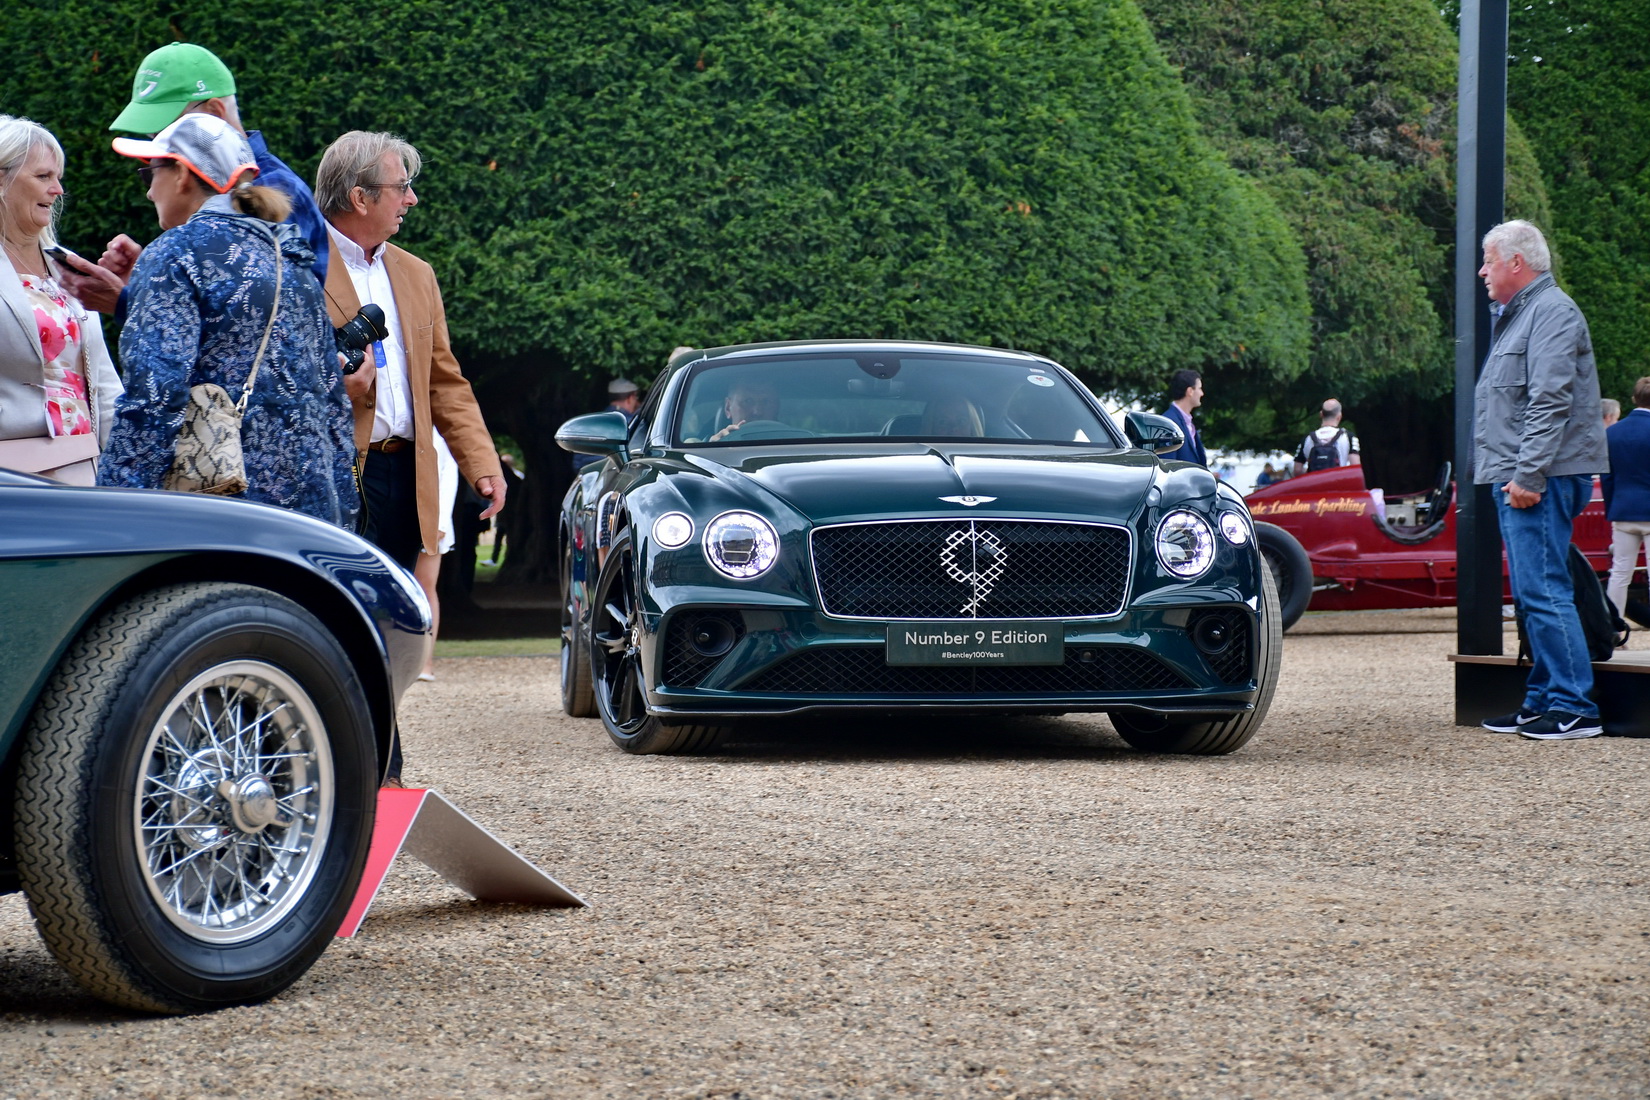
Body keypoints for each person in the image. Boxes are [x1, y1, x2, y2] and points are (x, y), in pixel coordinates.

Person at [316, 131, 504, 784]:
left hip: (406, 472)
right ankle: (353, 762)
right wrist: (334, 383)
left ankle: (378, 760)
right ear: (359, 195)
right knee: (335, 618)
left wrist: (480, 460)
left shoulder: (416, 274)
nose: (412, 201)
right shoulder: (299, 263)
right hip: (334, 474)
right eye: (402, 189)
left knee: (394, 623)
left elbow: (444, 379)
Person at [97, 114, 356, 527]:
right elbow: (332, 401)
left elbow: (154, 396)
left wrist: (112, 509)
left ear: (182, 174)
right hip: (310, 516)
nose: (147, 191)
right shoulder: (291, 259)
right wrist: (342, 513)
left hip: (219, 509)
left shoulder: (175, 252)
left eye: (149, 172)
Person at [55, 43, 329, 319]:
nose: (157, 143)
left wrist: (126, 301)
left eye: (167, 127)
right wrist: (157, 279)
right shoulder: (233, 194)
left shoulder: (275, 188)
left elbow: (256, 323)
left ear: (213, 112)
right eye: (152, 133)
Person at [1473, 219, 1610, 741]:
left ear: (1516, 262)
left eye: (1489, 259)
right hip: (1524, 476)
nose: (1483, 270)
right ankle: (1542, 700)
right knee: (1535, 592)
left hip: (1537, 479)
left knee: (1544, 590)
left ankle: (1575, 706)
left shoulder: (1550, 312)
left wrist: (1527, 475)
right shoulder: (1524, 314)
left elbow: (1549, 400)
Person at [0, 116, 122, 483]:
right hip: (12, 479)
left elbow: (102, 381)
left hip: (85, 468)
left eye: (58, 177)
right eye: (43, 177)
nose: (58, 190)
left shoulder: (65, 264)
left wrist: (125, 469)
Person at [412, 429, 460, 682]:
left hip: (430, 516)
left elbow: (447, 474)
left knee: (426, 587)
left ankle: (426, 662)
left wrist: (440, 520)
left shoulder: (436, 432)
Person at [1601, 378, 1650, 623]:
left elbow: (1607, 477)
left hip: (1622, 509)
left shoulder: (1613, 432)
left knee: (1619, 573)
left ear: (1634, 399)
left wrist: (1612, 509)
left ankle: (1613, 628)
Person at [572, 377, 640, 471]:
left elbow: (578, 463)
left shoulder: (591, 422)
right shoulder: (634, 424)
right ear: (630, 398)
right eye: (636, 398)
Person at [1293, 399, 1361, 475]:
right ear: (1339, 416)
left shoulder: (1307, 439)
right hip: (1338, 483)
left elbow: (1297, 470)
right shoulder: (1349, 437)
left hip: (1314, 485)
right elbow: (1355, 466)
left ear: (1321, 414)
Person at [709, 378, 782, 441]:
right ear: (728, 408)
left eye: (766, 402)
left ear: (777, 408)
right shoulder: (707, 448)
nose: (757, 412)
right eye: (748, 401)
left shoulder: (792, 444)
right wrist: (714, 449)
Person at [1159, 369, 1206, 466]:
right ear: (1190, 391)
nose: (1202, 393)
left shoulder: (1187, 422)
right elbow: (1167, 468)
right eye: (1200, 388)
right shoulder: (1168, 424)